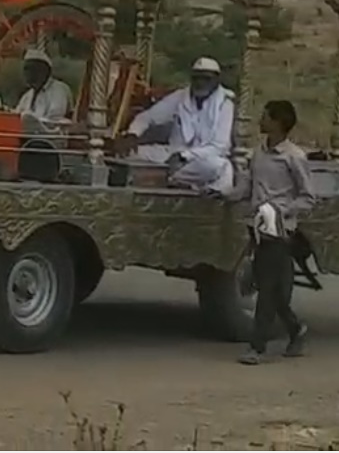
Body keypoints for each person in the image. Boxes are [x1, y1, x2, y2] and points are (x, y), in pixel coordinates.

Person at [234, 99, 314, 365]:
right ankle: (296, 329)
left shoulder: (294, 157)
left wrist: (282, 212)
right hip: (257, 228)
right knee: (273, 291)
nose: (261, 120)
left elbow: (307, 198)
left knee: (266, 290)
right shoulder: (258, 153)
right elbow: (246, 189)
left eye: (266, 116)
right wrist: (224, 195)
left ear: (278, 123)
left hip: (280, 233)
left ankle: (257, 348)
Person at [124, 56, 235, 193]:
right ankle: (176, 180)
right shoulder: (181, 96)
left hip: (201, 160)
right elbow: (147, 117)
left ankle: (178, 181)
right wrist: (132, 134)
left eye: (206, 79)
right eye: (197, 78)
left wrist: (184, 156)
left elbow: (219, 147)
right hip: (172, 155)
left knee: (222, 167)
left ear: (216, 80)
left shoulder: (225, 104)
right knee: (128, 153)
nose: (200, 83)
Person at [14, 48, 73, 121]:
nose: (26, 73)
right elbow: (16, 116)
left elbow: (54, 118)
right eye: (25, 69)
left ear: (44, 70)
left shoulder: (58, 89)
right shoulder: (27, 96)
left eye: (31, 68)